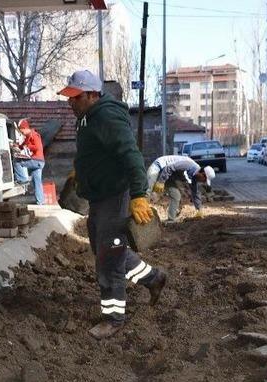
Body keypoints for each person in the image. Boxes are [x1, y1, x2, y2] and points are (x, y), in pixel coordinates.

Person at [58, 70, 167, 340]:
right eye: (69, 97)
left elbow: (131, 155)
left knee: (108, 259)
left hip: (115, 197)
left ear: (93, 95)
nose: (71, 102)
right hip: (100, 197)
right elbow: (92, 152)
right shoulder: (87, 118)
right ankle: (153, 278)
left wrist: (139, 195)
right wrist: (78, 171)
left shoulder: (106, 116)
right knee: (106, 250)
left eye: (76, 97)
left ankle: (114, 318)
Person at [147, 155, 215, 222]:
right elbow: (169, 167)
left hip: (168, 174)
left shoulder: (194, 175)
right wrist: (161, 181)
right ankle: (139, 210)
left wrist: (199, 209)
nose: (203, 182)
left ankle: (171, 220)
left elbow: (195, 192)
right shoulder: (189, 164)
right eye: (204, 180)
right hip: (159, 166)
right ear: (202, 174)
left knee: (176, 195)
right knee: (148, 190)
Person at [13, 119, 46, 204]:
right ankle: (40, 201)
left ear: (25, 128)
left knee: (17, 162)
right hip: (38, 162)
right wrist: (17, 146)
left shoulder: (34, 135)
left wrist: (28, 147)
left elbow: (37, 147)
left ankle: (23, 180)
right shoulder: (28, 137)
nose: (21, 133)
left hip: (37, 161)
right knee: (37, 181)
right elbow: (22, 145)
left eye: (21, 131)